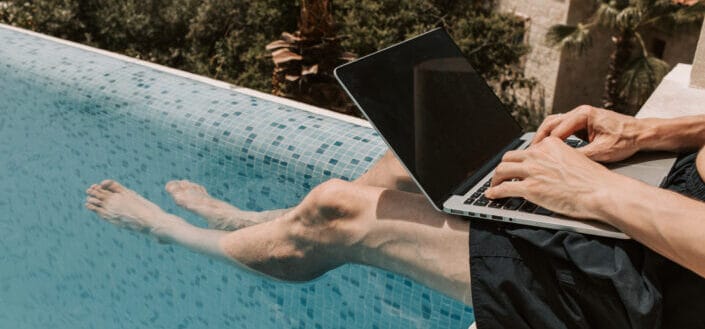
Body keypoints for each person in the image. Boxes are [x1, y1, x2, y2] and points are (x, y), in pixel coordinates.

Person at [86, 105, 705, 328]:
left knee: (339, 210)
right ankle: (258, 220)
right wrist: (657, 130)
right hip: (667, 201)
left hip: (657, 287)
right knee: (405, 162)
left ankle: (174, 232)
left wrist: (594, 193)